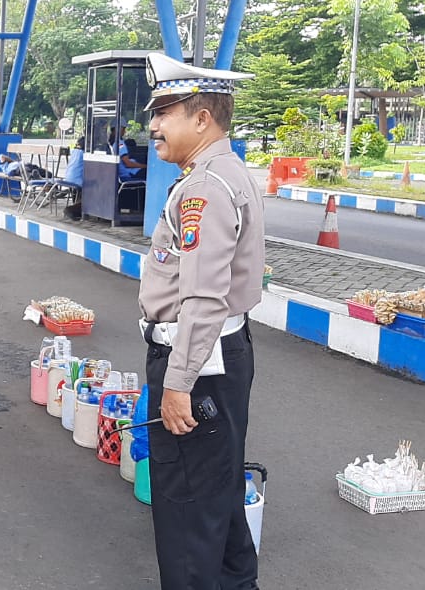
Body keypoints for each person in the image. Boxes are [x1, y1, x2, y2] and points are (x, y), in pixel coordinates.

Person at [137, 52, 263, 589]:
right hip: (221, 357)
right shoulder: (221, 173)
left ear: (202, 117)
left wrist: (177, 383)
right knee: (219, 497)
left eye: (164, 111)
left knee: (188, 511)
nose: (153, 124)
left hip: (198, 363)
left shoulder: (205, 188)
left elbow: (205, 299)